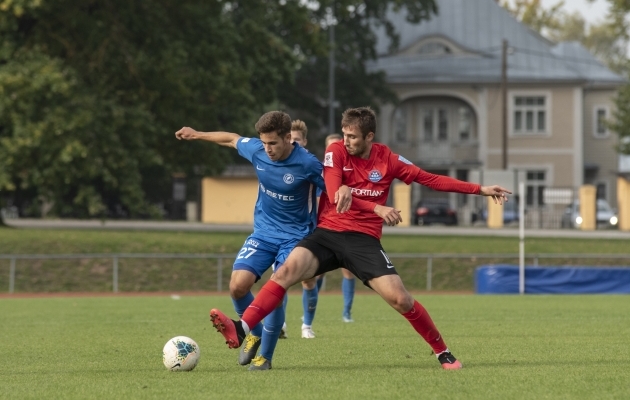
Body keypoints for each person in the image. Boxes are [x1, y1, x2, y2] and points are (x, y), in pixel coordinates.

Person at [209, 106, 511, 370]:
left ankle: (442, 351)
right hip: (325, 235)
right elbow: (334, 188)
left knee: (400, 298)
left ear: (369, 137)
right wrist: (376, 206)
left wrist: (480, 189)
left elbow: (429, 179)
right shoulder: (335, 152)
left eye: (352, 136)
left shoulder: (388, 160)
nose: (346, 141)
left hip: (362, 241)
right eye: (344, 134)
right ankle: (241, 327)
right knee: (285, 272)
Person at [175, 111, 351, 371]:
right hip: (263, 234)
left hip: (296, 237)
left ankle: (264, 358)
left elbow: (336, 187)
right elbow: (231, 139)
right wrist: (197, 134)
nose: (267, 149)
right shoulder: (257, 150)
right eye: (264, 142)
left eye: (273, 143)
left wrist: (347, 191)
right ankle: (253, 331)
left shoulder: (308, 164)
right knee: (237, 286)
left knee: (276, 293)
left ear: (288, 138)